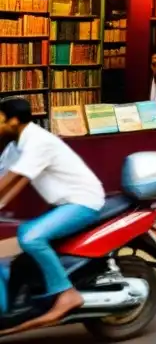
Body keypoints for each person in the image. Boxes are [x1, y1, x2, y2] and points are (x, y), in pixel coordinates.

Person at [0, 97, 105, 330]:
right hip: (63, 203)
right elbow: (7, 176)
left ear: (14, 121)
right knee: (22, 254)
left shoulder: (38, 142)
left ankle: (66, 292)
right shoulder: (15, 145)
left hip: (83, 202)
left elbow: (12, 179)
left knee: (30, 236)